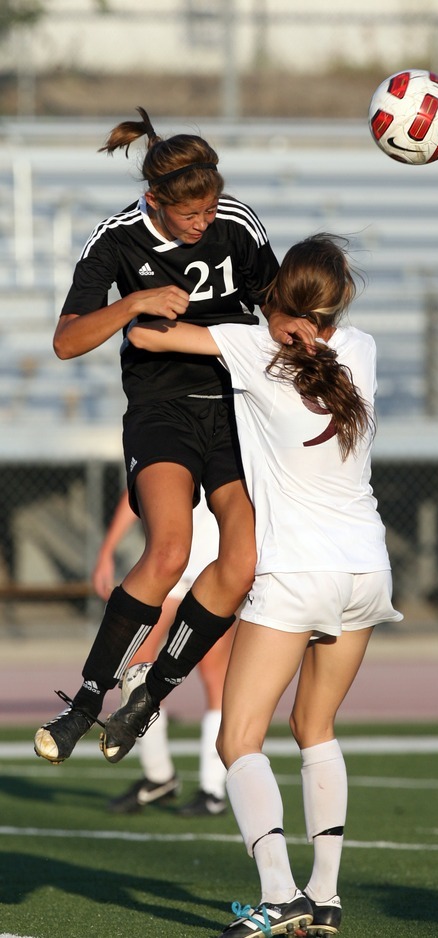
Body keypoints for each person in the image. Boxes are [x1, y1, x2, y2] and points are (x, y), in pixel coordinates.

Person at [109, 232, 403, 937]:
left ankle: (280, 894)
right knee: (315, 729)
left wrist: (147, 298)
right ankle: (325, 899)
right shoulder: (360, 348)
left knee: (239, 737)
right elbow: (311, 335)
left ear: (281, 308)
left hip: (296, 573)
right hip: (365, 568)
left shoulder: (253, 347)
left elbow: (151, 339)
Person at [34, 107, 307, 765]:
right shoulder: (117, 241)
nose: (204, 221)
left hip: (237, 407)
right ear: (155, 199)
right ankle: (85, 702)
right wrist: (133, 303)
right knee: (169, 553)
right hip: (161, 410)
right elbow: (67, 341)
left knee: (242, 564)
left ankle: (150, 696)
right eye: (191, 214)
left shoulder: (235, 223)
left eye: (211, 207)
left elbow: (274, 309)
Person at [92, 489, 230, 816]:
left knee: (214, 676)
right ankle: (158, 775)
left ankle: (212, 789)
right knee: (137, 666)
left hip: (213, 564)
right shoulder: (165, 438)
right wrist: (107, 549)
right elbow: (138, 487)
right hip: (172, 563)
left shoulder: (234, 439)